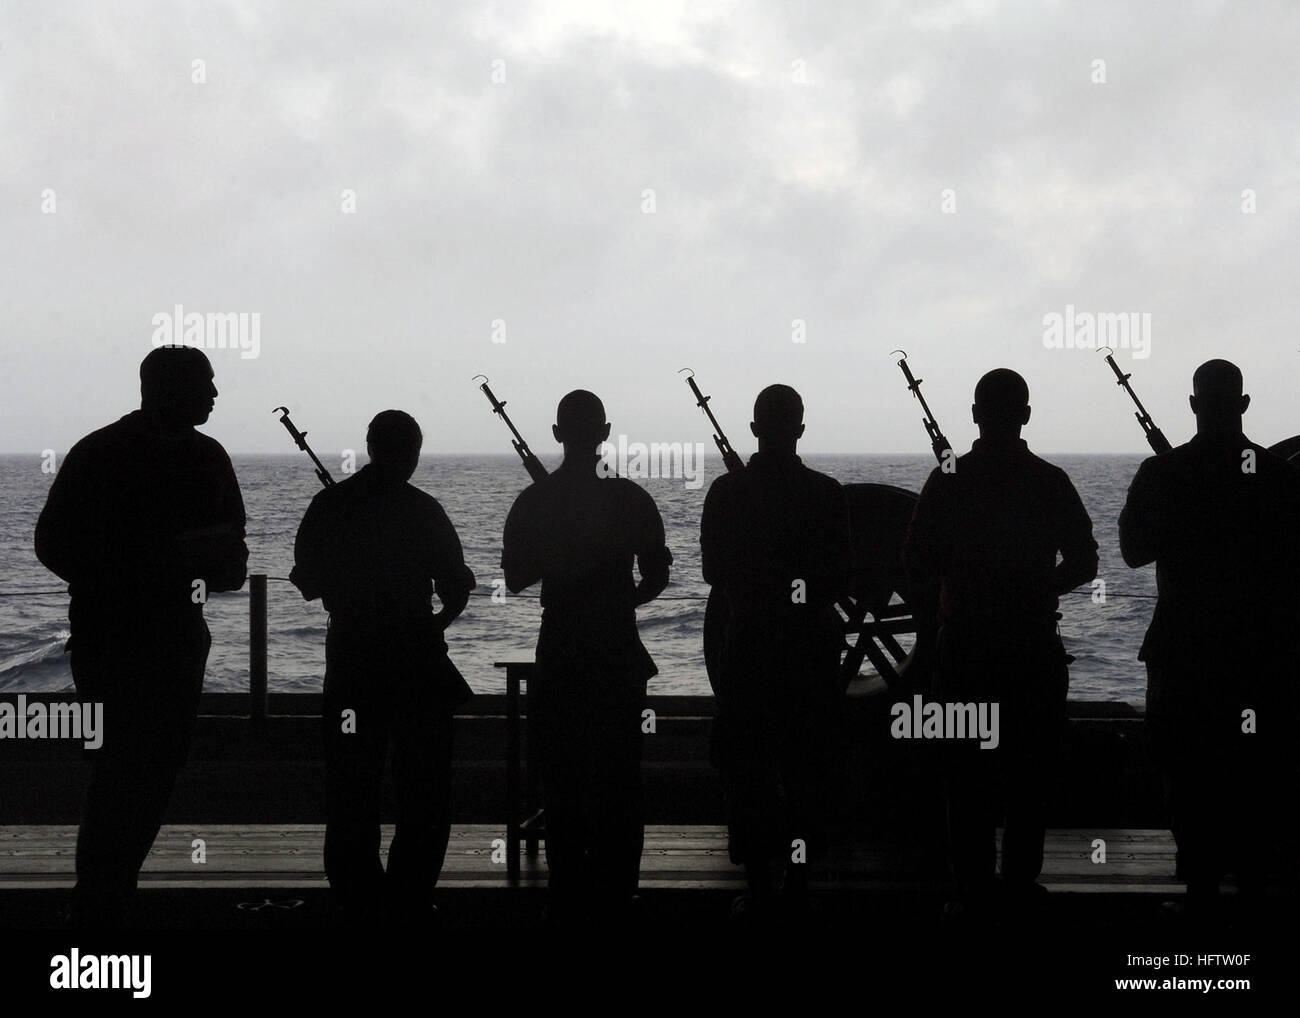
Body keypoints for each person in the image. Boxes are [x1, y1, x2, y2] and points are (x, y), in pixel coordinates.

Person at [34, 346, 248, 928]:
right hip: (137, 640)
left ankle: (105, 895)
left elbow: (52, 544)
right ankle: (102, 899)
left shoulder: (99, 451)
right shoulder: (201, 459)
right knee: (132, 769)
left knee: (140, 768)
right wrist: (153, 568)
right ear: (170, 388)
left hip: (138, 638)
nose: (214, 393)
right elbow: (229, 559)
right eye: (206, 382)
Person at [903, 368, 1098, 920]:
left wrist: (961, 577)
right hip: (1033, 650)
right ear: (1026, 416)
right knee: (1029, 777)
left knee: (964, 778)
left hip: (964, 650)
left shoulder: (948, 480)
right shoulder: (1051, 480)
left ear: (974, 415)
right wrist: (1036, 587)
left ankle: (970, 892)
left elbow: (914, 561)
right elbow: (1086, 562)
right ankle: (1018, 889)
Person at [1119, 359, 1300, 921]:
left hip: (1183, 653)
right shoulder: (1276, 474)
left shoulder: (1162, 474)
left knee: (1187, 774)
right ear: (1243, 406)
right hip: (1257, 657)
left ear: (1193, 405)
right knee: (1255, 775)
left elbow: (1131, 550)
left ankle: (1198, 899)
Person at [291, 410, 474, 929]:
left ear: (370, 446)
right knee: (425, 786)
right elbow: (457, 586)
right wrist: (436, 624)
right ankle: (411, 897)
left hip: (351, 656)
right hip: (416, 658)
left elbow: (307, 580)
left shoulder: (330, 505)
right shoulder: (424, 510)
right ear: (413, 451)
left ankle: (356, 897)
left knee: (351, 782)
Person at [501, 390, 671, 923]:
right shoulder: (631, 499)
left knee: (563, 780)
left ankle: (568, 895)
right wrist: (624, 599)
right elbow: (659, 573)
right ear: (605, 432)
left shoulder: (536, 501)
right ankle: (619, 894)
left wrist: (560, 532)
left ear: (556, 434)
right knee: (622, 780)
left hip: (563, 650)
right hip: (619, 650)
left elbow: (513, 578)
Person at [699, 384, 852, 919]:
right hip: (809, 652)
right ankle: (800, 884)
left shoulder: (726, 494)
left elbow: (714, 573)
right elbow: (840, 579)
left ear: (755, 430)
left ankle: (760, 889)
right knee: (806, 770)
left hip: (747, 649)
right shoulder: (828, 493)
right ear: (801, 430)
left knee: (748, 772)